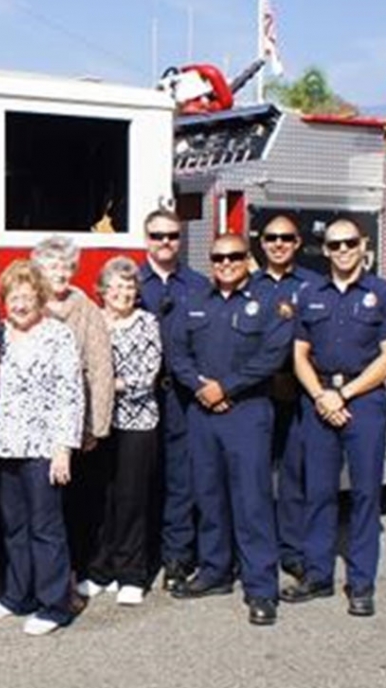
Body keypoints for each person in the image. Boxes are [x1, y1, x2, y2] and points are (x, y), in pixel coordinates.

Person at [282, 219, 386, 617]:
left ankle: (361, 584)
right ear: (325, 250)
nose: (342, 251)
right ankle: (318, 576)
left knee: (366, 495)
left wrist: (344, 394)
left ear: (363, 244)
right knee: (318, 492)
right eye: (334, 245)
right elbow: (299, 354)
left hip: (363, 401)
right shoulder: (310, 294)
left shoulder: (382, 294)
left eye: (349, 243)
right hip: (318, 400)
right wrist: (321, 395)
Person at [167, 233, 293, 626]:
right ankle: (215, 571)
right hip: (203, 414)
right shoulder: (193, 301)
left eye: (234, 256)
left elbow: (273, 355)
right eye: (219, 258)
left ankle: (261, 589)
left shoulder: (270, 302)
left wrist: (227, 387)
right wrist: (203, 389)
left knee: (252, 502)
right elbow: (176, 352)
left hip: (247, 412)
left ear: (246, 258)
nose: (226, 263)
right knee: (208, 496)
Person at [0, 261, 84, 635]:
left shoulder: (57, 335)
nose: (20, 304)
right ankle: (16, 595)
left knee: (46, 528)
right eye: (13, 297)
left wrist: (63, 447)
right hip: (5, 444)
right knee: (13, 527)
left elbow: (70, 392)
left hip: (43, 446)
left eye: (27, 297)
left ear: (39, 298)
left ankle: (55, 603)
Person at [29, 236, 114, 602]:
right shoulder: (29, 303)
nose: (59, 274)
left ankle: (71, 578)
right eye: (51, 267)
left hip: (75, 419)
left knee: (71, 507)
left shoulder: (86, 308)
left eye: (65, 267)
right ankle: (34, 580)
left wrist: (97, 424)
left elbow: (101, 367)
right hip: (32, 424)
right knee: (38, 508)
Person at [84, 257, 162, 605]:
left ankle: (132, 574)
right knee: (100, 496)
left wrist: (107, 385)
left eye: (129, 287)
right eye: (115, 286)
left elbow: (148, 376)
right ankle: (100, 570)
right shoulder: (92, 322)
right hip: (99, 423)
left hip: (137, 423)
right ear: (101, 291)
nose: (123, 293)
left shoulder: (147, 323)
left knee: (131, 498)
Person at [250, 215, 323, 582]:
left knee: (295, 475)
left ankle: (291, 551)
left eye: (286, 238)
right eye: (271, 237)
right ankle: (255, 550)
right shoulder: (247, 285)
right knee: (255, 477)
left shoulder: (315, 286)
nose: (278, 243)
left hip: (299, 394)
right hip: (256, 395)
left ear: (297, 243)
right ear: (261, 243)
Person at [138, 209, 208, 590]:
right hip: (139, 398)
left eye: (171, 235)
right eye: (157, 235)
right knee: (140, 478)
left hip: (182, 397)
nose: (165, 242)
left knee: (182, 478)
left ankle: (178, 556)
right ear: (145, 238)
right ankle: (143, 556)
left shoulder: (198, 285)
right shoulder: (128, 281)